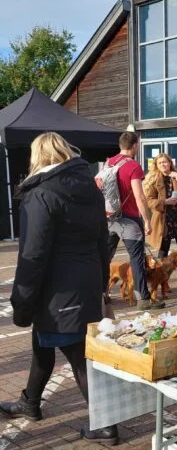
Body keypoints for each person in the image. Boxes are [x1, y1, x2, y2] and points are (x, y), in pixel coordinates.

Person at [0, 133, 118, 445]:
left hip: (57, 289)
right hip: (82, 282)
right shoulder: (89, 190)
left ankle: (106, 425)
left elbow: (33, 254)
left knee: (78, 356)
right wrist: (101, 283)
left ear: (37, 158)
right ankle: (29, 402)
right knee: (43, 344)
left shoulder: (40, 194)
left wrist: (21, 301)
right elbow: (101, 243)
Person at [106, 132, 163, 309]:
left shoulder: (109, 162)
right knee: (137, 259)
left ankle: (100, 294)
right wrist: (146, 220)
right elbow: (139, 195)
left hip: (110, 217)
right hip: (129, 219)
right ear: (135, 145)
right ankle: (143, 299)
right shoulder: (133, 166)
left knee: (105, 257)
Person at [144, 153, 177, 288]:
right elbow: (149, 201)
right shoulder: (153, 179)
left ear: (170, 163)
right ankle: (163, 281)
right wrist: (164, 202)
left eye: (165, 162)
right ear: (156, 165)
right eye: (160, 163)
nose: (163, 164)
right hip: (163, 220)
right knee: (163, 252)